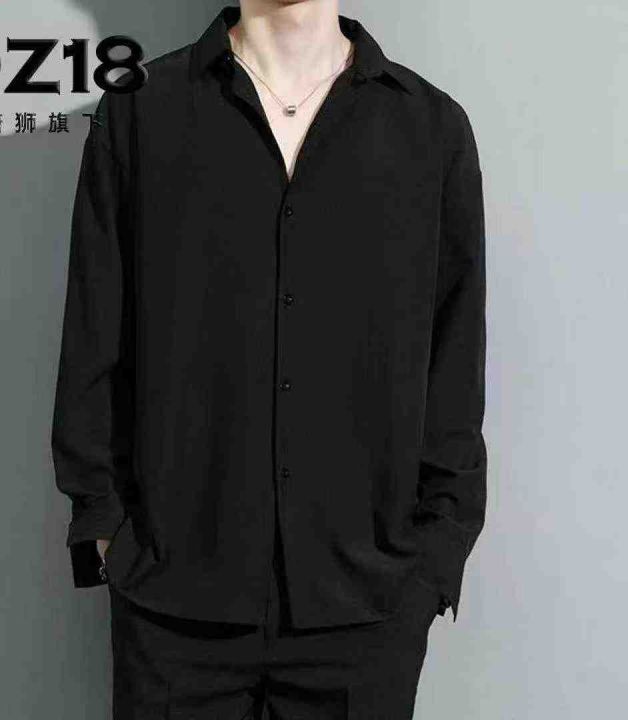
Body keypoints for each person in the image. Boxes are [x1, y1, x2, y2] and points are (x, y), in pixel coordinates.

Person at [51, 1, 488, 717]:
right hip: (171, 606)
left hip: (367, 613)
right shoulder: (139, 112)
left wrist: (434, 558)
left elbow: (456, 363)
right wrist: (104, 528)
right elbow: (93, 337)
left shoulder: (430, 128)